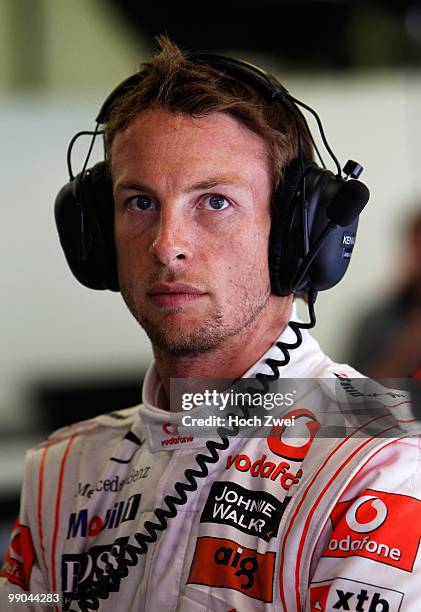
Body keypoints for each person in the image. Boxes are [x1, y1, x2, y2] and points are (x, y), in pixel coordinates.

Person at [1, 37, 421, 612]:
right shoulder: (60, 471)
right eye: (140, 203)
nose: (167, 244)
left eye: (215, 201)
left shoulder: (383, 462)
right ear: (96, 237)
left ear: (293, 236)